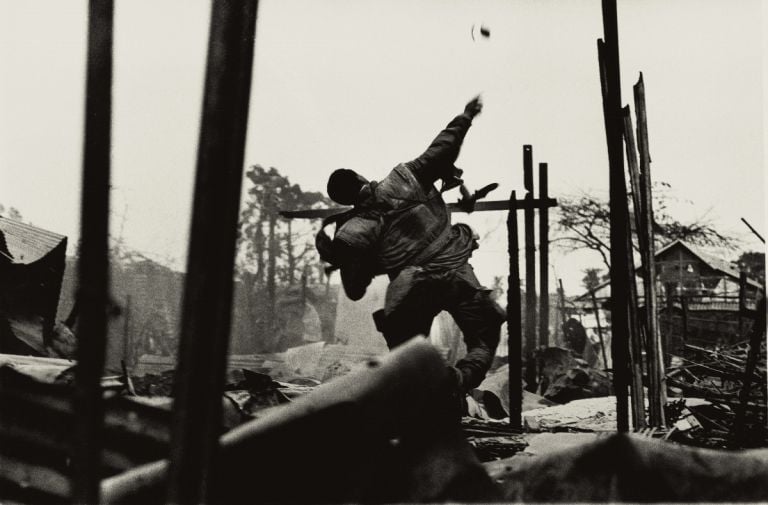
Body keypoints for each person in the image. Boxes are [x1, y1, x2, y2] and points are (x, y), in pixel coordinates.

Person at [316, 96, 505, 396]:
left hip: (411, 289)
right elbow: (443, 148)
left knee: (406, 355)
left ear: (341, 200)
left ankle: (435, 390)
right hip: (456, 274)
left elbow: (354, 289)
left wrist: (363, 261)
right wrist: (466, 116)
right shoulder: (404, 178)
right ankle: (459, 379)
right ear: (360, 176)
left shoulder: (351, 232)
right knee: (483, 338)